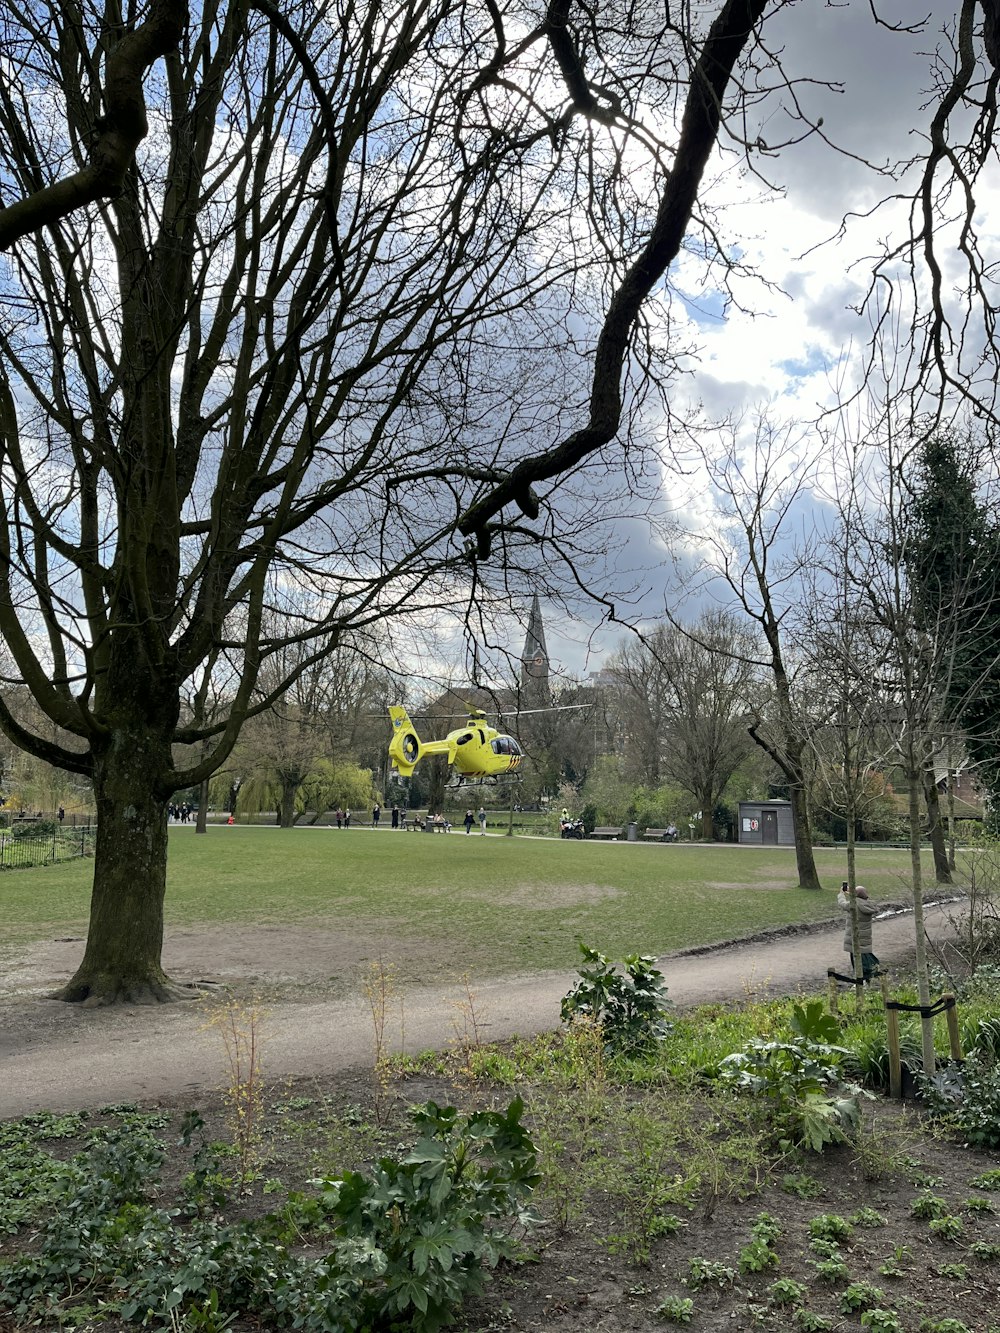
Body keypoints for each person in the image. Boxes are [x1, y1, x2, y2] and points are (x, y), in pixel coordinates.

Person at [838, 881, 880, 982]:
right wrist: (853, 894)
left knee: (856, 960)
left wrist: (841, 894)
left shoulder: (854, 905)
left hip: (855, 938)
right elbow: (859, 901)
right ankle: (868, 979)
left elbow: (843, 904)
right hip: (864, 939)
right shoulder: (868, 905)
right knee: (865, 959)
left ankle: (860, 981)